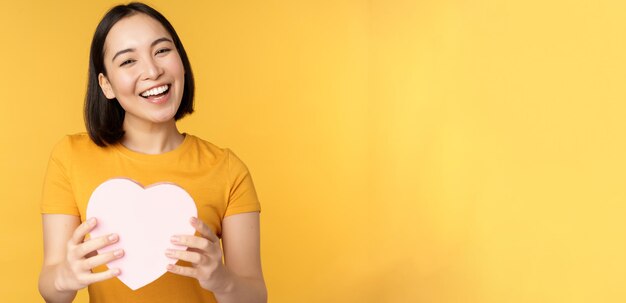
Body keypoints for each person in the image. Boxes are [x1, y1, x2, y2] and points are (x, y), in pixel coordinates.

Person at [37, 3, 267, 302]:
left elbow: (255, 296)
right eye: (128, 61)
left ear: (181, 61)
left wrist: (221, 280)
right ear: (106, 85)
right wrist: (66, 276)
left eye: (161, 51)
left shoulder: (227, 168)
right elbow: (52, 289)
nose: (152, 70)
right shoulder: (70, 157)